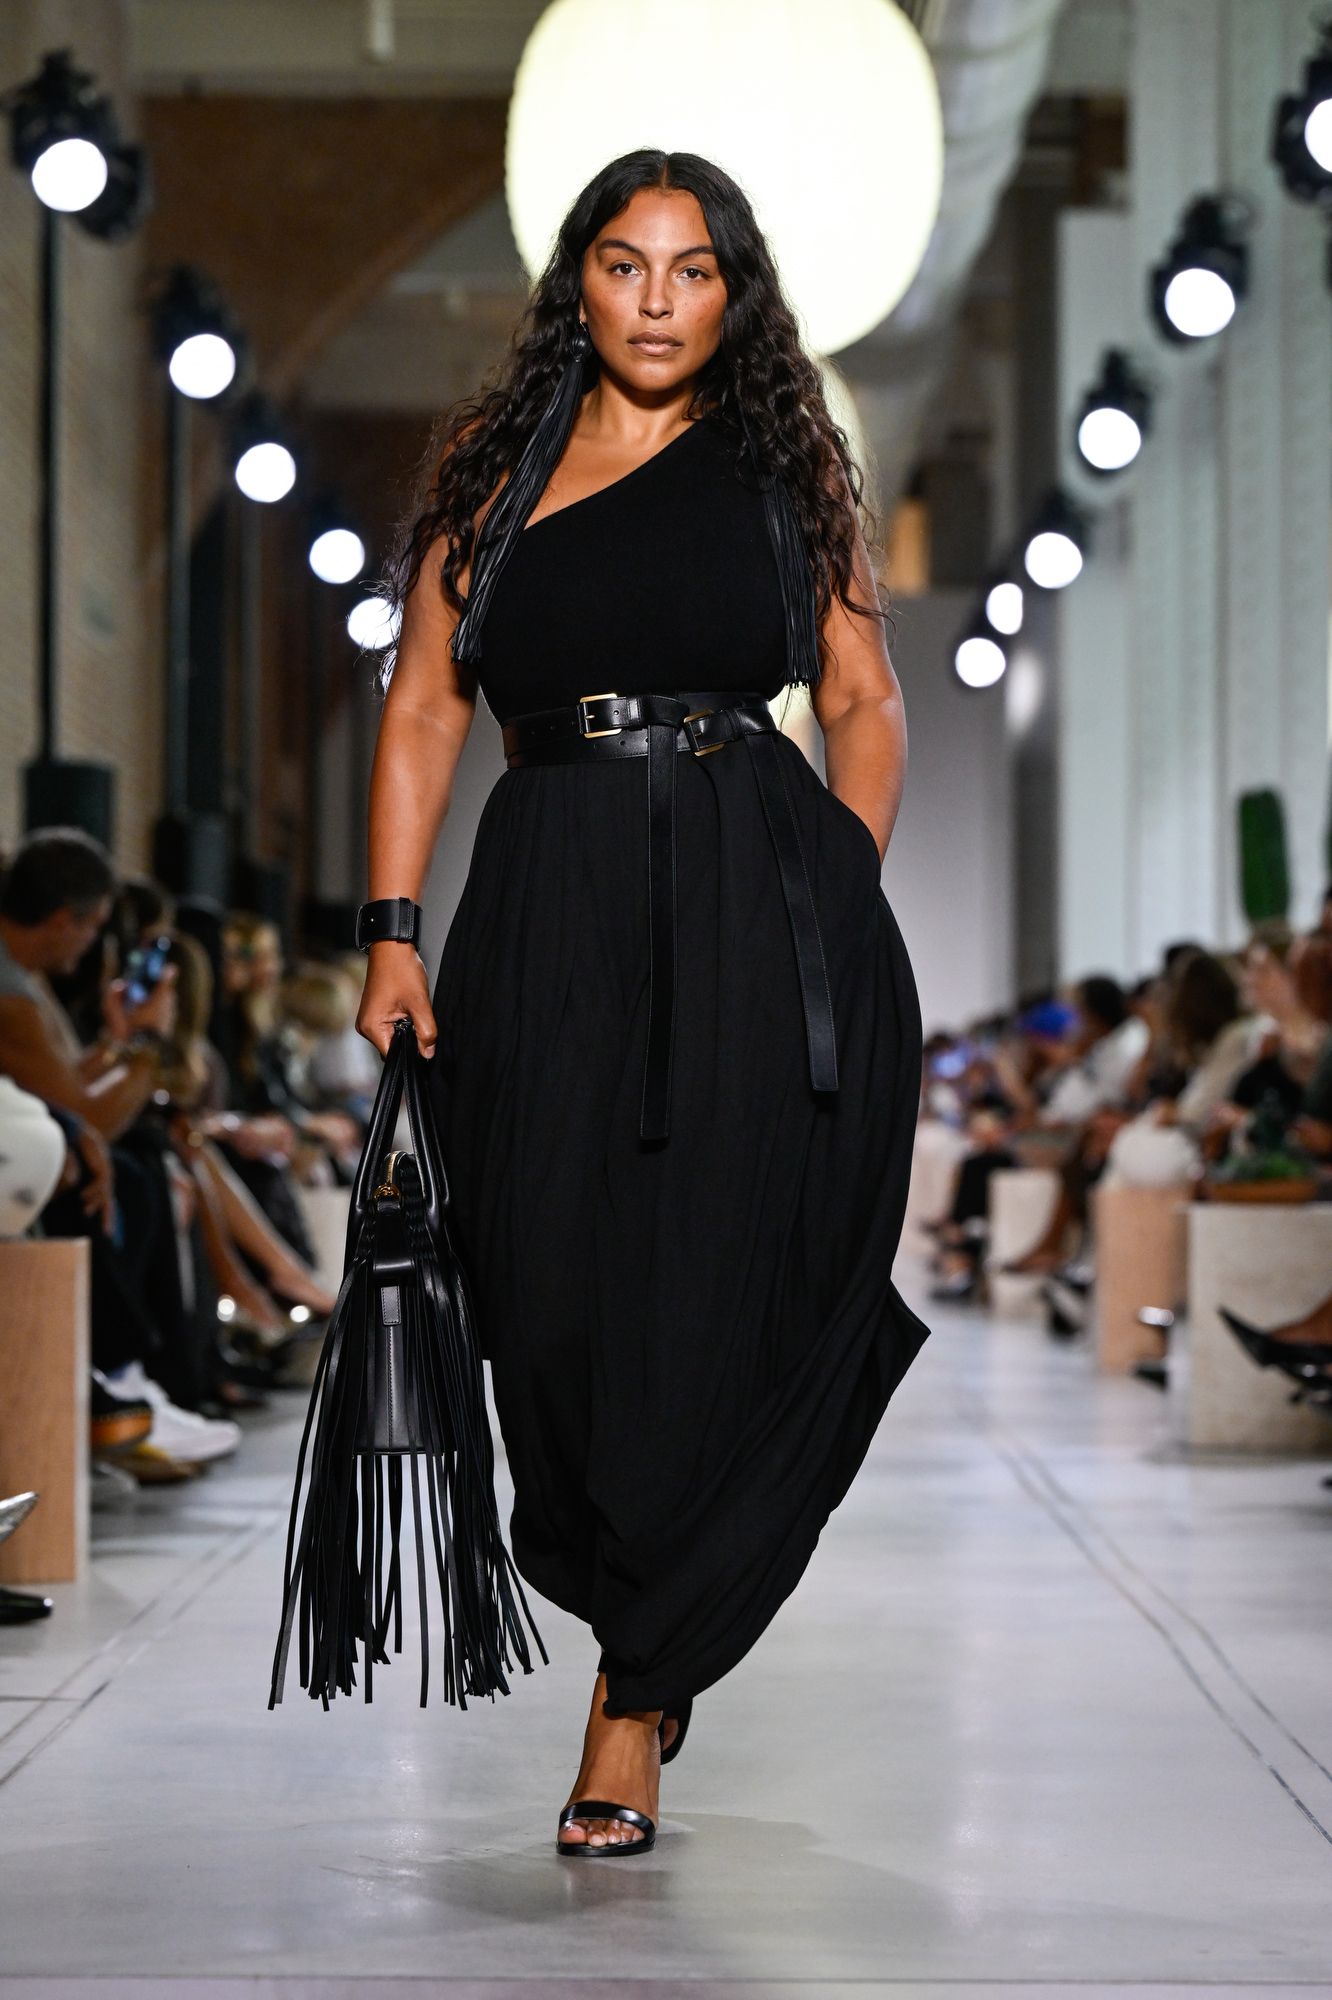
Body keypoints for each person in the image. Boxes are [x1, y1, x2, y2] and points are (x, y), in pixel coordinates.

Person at [355, 150, 930, 1857]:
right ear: (579, 283)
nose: (658, 300)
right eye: (625, 264)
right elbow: (421, 710)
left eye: (692, 269)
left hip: (752, 903)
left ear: (733, 293)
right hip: (547, 903)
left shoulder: (785, 468)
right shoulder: (496, 466)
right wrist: (392, 932)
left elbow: (863, 700)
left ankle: (633, 1693)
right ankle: (640, 1612)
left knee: (698, 1290)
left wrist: (835, 883)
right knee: (541, 1288)